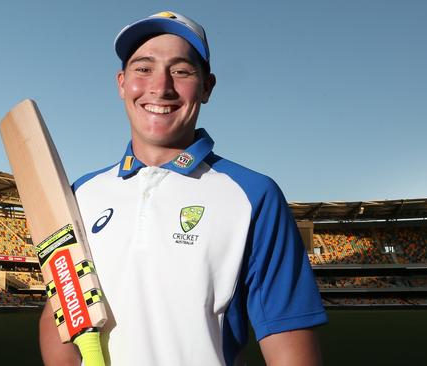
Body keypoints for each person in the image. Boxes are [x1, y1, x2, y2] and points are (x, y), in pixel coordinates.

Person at [39, 11, 327, 366]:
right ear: (121, 83)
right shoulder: (81, 193)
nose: (160, 87)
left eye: (181, 71)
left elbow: (290, 347)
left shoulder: (254, 195)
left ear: (207, 86)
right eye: (143, 69)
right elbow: (61, 313)